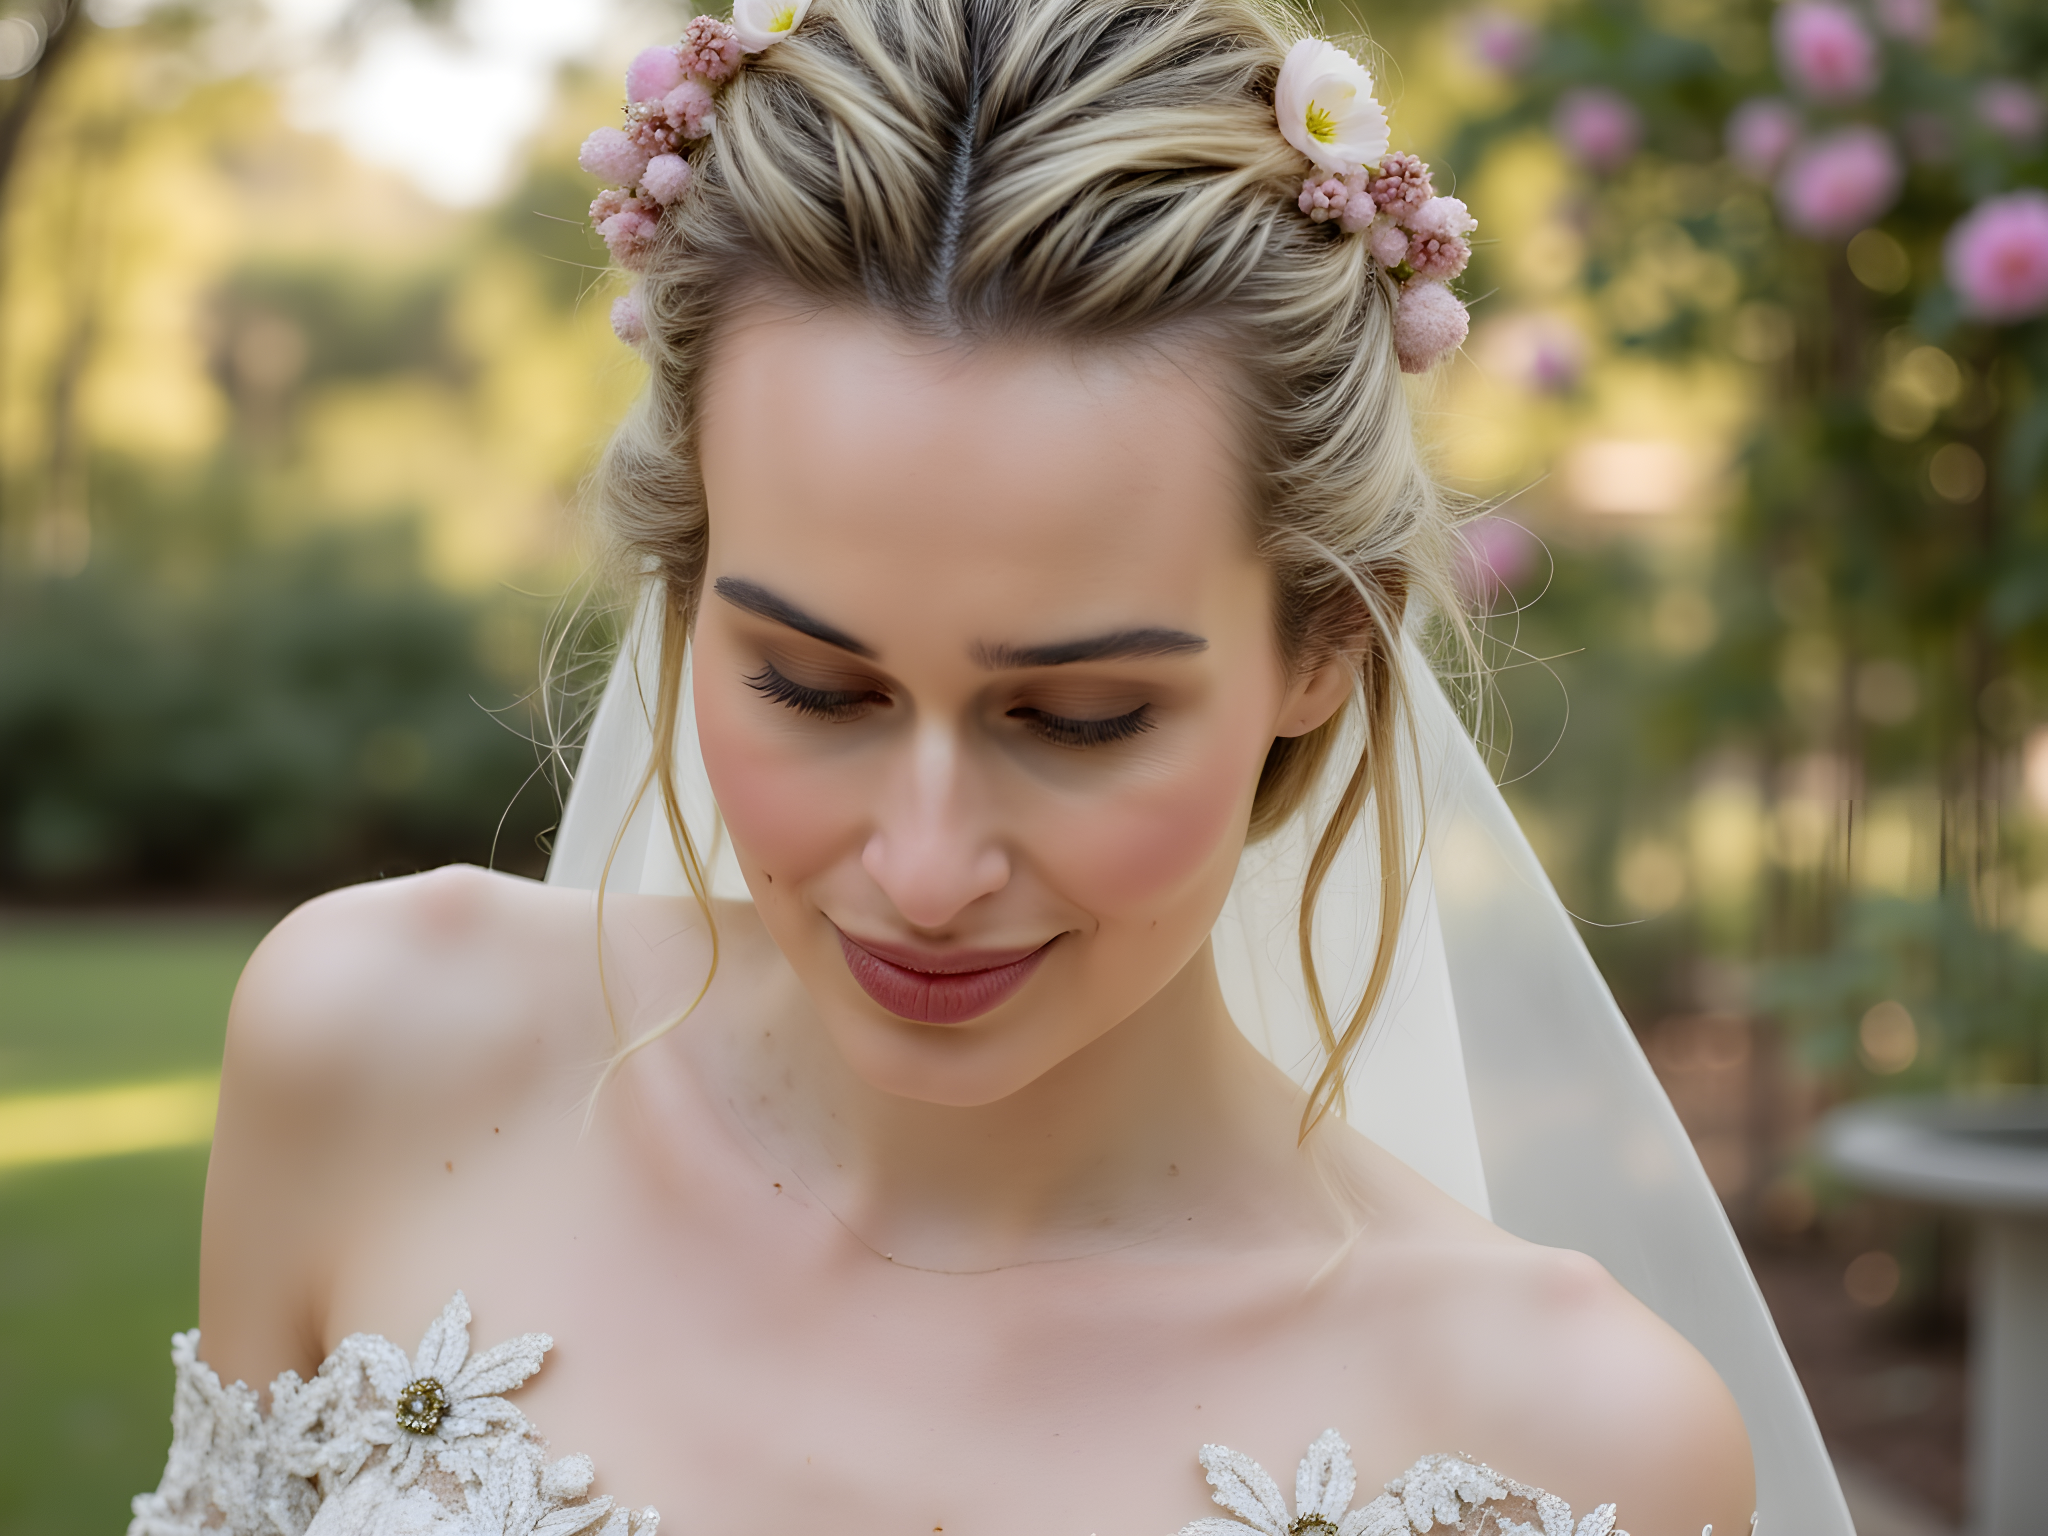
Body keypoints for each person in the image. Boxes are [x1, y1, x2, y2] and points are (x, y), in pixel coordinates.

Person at [133, 1, 1785, 1531]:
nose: (925, 872)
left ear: (1325, 647)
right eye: (812, 686)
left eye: (1078, 719)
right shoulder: (379, 1055)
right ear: (685, 596)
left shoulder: (1565, 1447)